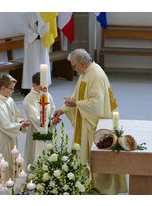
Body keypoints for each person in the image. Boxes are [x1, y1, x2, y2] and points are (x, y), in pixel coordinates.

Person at [54, 48, 127, 195]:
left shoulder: (95, 75)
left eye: (74, 66)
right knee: (85, 154)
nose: (73, 69)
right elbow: (76, 95)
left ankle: (101, 188)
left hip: (96, 122)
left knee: (96, 156)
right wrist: (63, 109)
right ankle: (87, 183)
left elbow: (97, 103)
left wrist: (77, 105)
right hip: (86, 119)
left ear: (82, 63)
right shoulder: (86, 72)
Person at [0, 74, 30, 183]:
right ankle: (2, 188)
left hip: (12, 137)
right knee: (3, 163)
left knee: (13, 162)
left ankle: (12, 185)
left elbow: (17, 115)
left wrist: (22, 122)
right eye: (11, 88)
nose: (13, 91)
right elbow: (4, 125)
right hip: (3, 138)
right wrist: (20, 126)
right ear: (3, 88)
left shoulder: (10, 100)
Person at [23, 72, 61, 169]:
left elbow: (52, 109)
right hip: (36, 132)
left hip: (48, 130)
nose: (44, 90)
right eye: (41, 87)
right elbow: (35, 118)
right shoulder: (29, 99)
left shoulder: (47, 95)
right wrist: (50, 122)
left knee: (49, 157)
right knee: (35, 159)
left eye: (46, 87)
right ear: (33, 85)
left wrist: (53, 119)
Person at [22, 12, 51, 96]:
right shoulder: (26, 12)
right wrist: (36, 35)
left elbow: (49, 24)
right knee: (32, 65)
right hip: (32, 43)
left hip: (43, 42)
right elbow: (24, 28)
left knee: (44, 62)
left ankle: (44, 85)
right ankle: (30, 87)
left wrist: (44, 34)